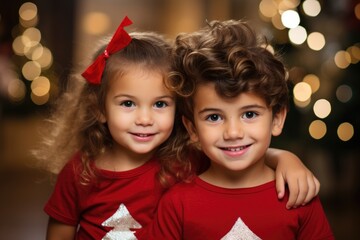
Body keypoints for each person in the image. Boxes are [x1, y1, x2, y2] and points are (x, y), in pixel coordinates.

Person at [34, 17, 320, 240]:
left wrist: (286, 159)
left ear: (179, 108)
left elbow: (237, 156)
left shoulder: (184, 161)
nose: (144, 118)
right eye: (128, 104)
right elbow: (60, 232)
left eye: (160, 104)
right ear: (99, 108)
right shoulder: (80, 171)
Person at [149, 19, 334, 239]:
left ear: (277, 119)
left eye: (249, 114)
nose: (233, 133)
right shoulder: (176, 204)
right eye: (214, 117)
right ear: (192, 128)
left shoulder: (298, 194)